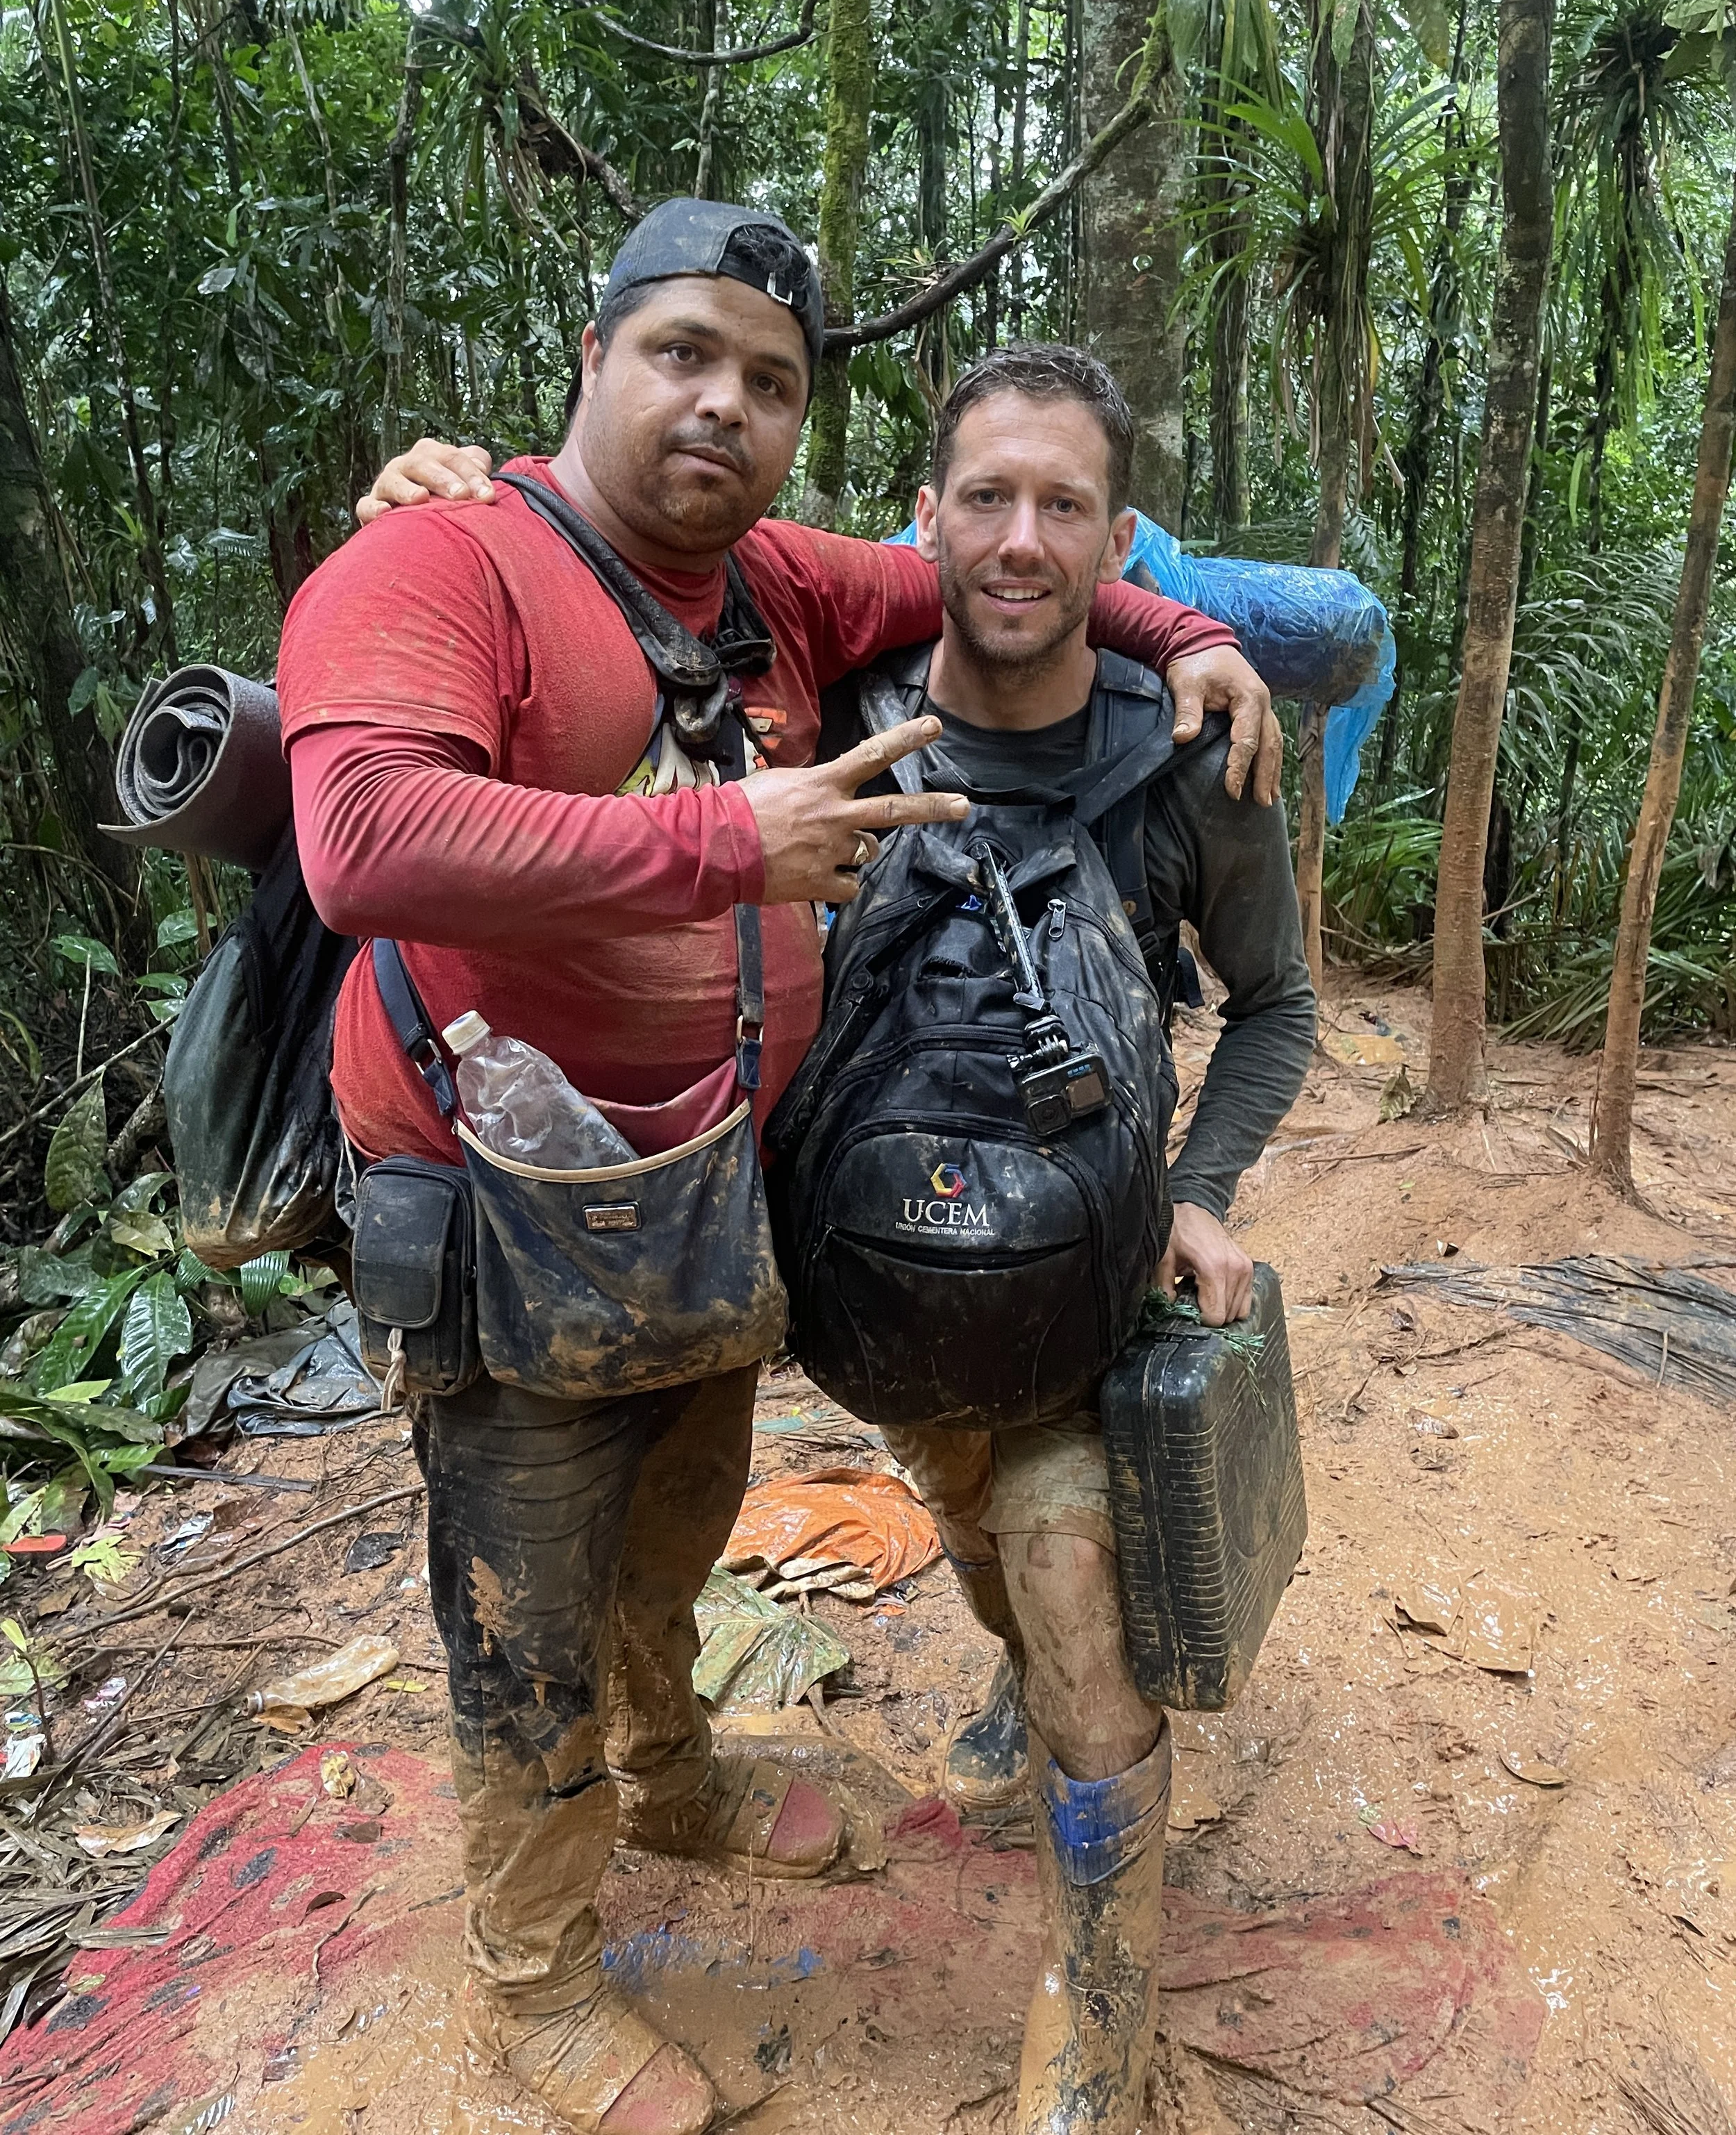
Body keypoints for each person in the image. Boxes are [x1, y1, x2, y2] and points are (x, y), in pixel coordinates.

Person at [282, 199, 1281, 2135]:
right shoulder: (443, 559)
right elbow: (364, 839)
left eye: (768, 378)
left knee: (681, 1511)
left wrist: (1198, 629)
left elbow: (1011, 572)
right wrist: (719, 843)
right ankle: (533, 1976)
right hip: (489, 1208)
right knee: (525, 1611)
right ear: (588, 360)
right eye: (680, 353)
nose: (720, 403)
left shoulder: (773, 588)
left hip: (709, 1186)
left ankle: (678, 1784)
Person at [801, 342, 1317, 2133]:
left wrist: (1199, 1191)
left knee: (1079, 1592)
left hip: (1090, 1283)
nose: (1021, 540)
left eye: (1066, 506)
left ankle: (1101, 1989)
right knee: (970, 1524)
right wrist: (459, 496)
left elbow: (1277, 1008)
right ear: (926, 513)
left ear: (1118, 544)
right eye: (988, 496)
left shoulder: (1194, 748)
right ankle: (1028, 1696)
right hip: (874, 1299)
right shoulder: (829, 711)